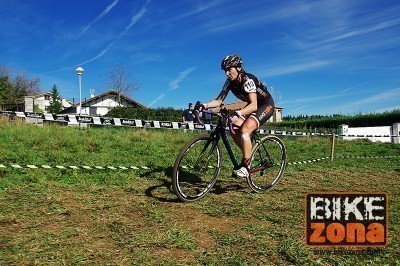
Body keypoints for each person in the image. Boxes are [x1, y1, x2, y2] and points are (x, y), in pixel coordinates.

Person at [201, 54, 275, 178]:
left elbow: (253, 106)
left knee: (245, 129)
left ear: (239, 68)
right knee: (234, 127)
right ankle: (248, 154)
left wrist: (239, 112)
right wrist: (204, 105)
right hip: (252, 106)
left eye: (229, 69)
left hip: (265, 105)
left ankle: (246, 166)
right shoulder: (229, 82)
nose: (227, 73)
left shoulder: (247, 80)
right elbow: (218, 101)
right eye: (225, 70)